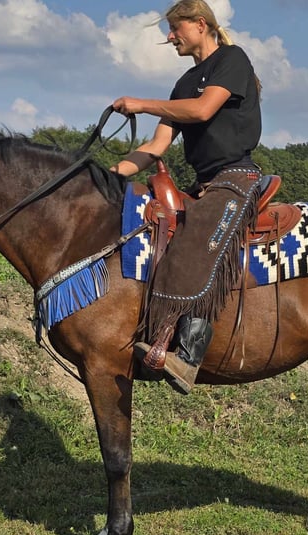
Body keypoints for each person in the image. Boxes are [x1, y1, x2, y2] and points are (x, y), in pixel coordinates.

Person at [111, 0, 262, 394]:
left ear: (200, 24)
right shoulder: (181, 85)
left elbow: (201, 109)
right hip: (202, 182)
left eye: (175, 28)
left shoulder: (233, 60)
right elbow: (157, 146)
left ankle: (187, 353)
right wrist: (113, 174)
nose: (170, 36)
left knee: (196, 239)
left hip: (235, 178)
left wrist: (141, 104)